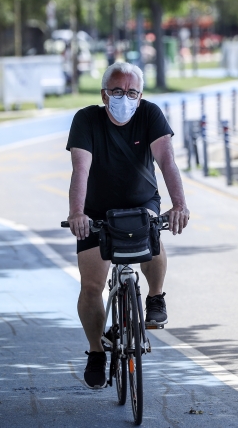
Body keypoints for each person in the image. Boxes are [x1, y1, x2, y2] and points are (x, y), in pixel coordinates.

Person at [66, 61, 190, 389]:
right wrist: (77, 213)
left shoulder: (150, 115)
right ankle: (96, 351)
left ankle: (155, 297)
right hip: (96, 210)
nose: (125, 98)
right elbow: (81, 169)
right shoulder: (86, 119)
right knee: (92, 286)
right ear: (105, 95)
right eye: (118, 91)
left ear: (141, 95)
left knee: (153, 238)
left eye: (132, 92)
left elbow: (167, 161)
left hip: (142, 204)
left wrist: (179, 204)